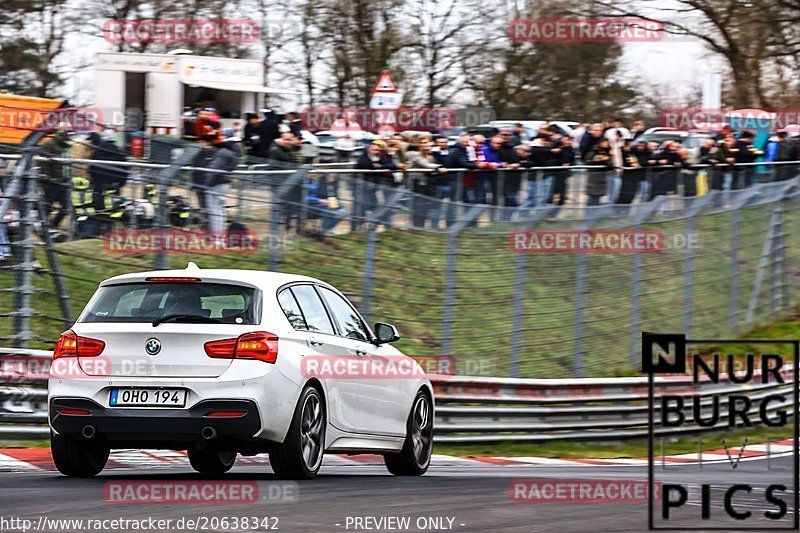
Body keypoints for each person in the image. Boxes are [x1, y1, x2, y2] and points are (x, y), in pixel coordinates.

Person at [204, 130, 242, 233]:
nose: (220, 137)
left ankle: (217, 237)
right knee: (220, 210)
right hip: (225, 182)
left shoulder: (224, 152)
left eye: (222, 135)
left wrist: (206, 184)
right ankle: (220, 234)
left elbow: (214, 169)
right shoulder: (235, 151)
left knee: (214, 211)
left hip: (216, 183)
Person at [405, 137, 447, 227]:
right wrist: (438, 167)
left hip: (428, 184)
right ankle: (417, 226)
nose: (425, 145)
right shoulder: (416, 155)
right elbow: (425, 164)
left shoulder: (432, 155)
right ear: (419, 145)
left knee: (428, 206)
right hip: (417, 183)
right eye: (423, 143)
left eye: (427, 143)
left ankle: (428, 226)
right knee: (418, 206)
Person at [39, 127, 71, 229]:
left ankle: (53, 225)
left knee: (67, 207)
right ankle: (42, 226)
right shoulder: (49, 144)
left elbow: (67, 163)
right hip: (52, 182)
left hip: (63, 181)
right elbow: (43, 162)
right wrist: (48, 178)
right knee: (47, 206)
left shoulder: (65, 146)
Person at [585, 138, 614, 206]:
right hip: (593, 176)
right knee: (592, 196)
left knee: (597, 197)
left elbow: (611, 166)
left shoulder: (608, 153)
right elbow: (587, 162)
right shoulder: (593, 151)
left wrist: (607, 159)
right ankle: (589, 212)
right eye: (604, 142)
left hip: (602, 178)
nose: (605, 144)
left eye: (607, 143)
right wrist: (594, 160)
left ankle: (594, 212)